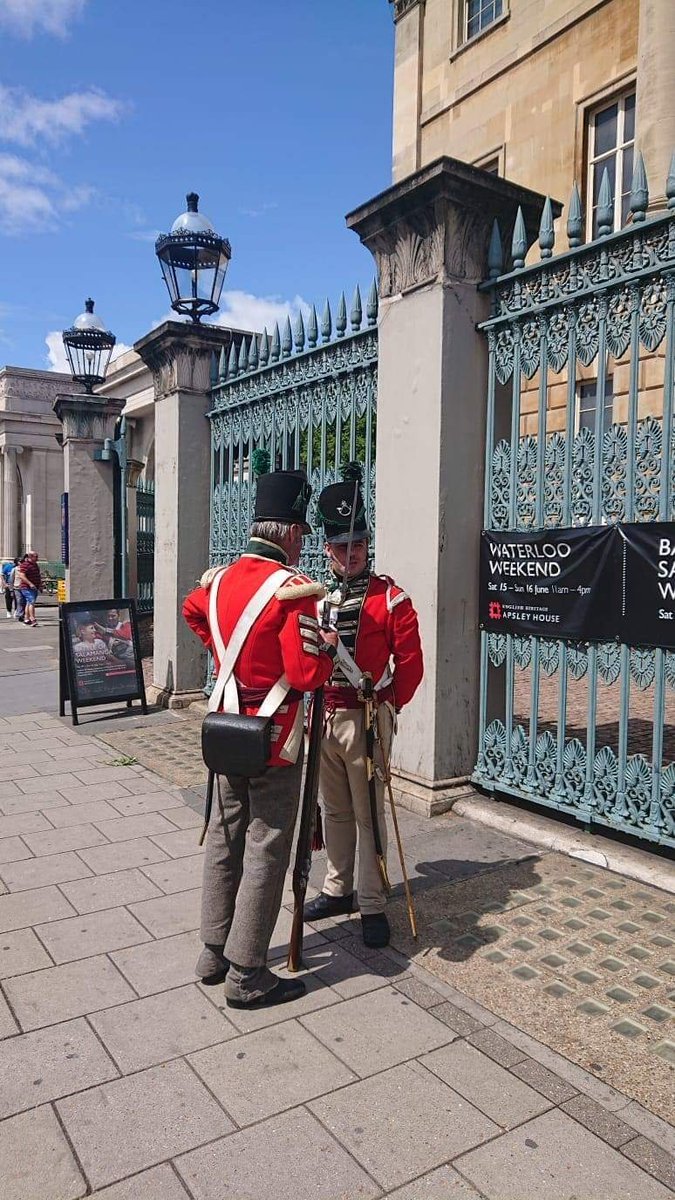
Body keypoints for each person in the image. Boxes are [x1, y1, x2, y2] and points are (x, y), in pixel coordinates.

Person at [183, 464, 337, 1010]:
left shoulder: (217, 581)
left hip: (226, 731)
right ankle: (247, 973)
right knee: (267, 848)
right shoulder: (294, 592)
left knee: (224, 839)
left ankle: (212, 951)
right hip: (274, 738)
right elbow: (304, 677)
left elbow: (193, 613)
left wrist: (227, 662)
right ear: (292, 532)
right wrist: (327, 646)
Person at [305, 464, 424, 948]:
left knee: (369, 812)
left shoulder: (390, 599)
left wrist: (387, 704)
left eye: (358, 547)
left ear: (367, 546)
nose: (351, 555)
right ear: (327, 551)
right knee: (333, 810)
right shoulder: (314, 600)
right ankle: (338, 888)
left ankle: (372, 903)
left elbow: (410, 666)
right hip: (324, 718)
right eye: (341, 548)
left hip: (366, 717)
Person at [15, 554, 40, 628]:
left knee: (29, 602)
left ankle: (26, 619)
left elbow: (38, 575)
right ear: (30, 557)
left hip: (35, 587)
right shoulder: (25, 565)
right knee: (31, 602)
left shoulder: (35, 565)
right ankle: (33, 619)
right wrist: (30, 584)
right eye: (36, 556)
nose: (37, 558)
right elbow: (22, 576)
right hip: (26, 587)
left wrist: (40, 585)